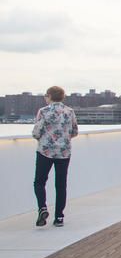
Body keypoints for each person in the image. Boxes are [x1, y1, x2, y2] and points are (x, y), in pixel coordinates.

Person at [32, 86, 78, 227]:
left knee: (39, 182)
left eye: (46, 95)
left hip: (45, 152)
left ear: (50, 96)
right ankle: (59, 217)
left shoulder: (44, 111)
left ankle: (43, 208)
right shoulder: (69, 112)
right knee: (61, 184)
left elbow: (36, 132)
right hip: (64, 153)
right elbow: (74, 131)